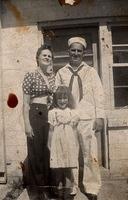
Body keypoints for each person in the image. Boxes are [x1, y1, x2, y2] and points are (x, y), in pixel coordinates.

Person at [55, 37, 105, 200]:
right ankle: (72, 187)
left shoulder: (91, 72)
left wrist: (100, 117)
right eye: (73, 50)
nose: (76, 53)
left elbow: (99, 95)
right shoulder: (61, 72)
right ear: (68, 51)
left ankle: (92, 188)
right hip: (68, 120)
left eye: (79, 51)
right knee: (70, 154)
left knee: (89, 153)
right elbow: (57, 96)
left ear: (84, 53)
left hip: (87, 118)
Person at [22, 45, 55, 188]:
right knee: (36, 152)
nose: (47, 58)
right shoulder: (31, 75)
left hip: (48, 114)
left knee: (48, 150)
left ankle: (48, 186)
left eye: (49, 56)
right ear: (37, 58)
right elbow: (25, 103)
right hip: (35, 113)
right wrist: (27, 125)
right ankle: (38, 190)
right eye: (44, 55)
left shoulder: (52, 76)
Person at [48, 86, 79, 196]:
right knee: (57, 164)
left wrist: (75, 143)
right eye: (59, 99)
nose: (62, 101)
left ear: (68, 99)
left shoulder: (72, 112)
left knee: (70, 165)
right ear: (56, 100)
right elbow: (51, 130)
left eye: (65, 98)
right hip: (57, 141)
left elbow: (74, 130)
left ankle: (71, 187)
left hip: (69, 141)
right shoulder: (53, 112)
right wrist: (49, 143)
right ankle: (58, 187)